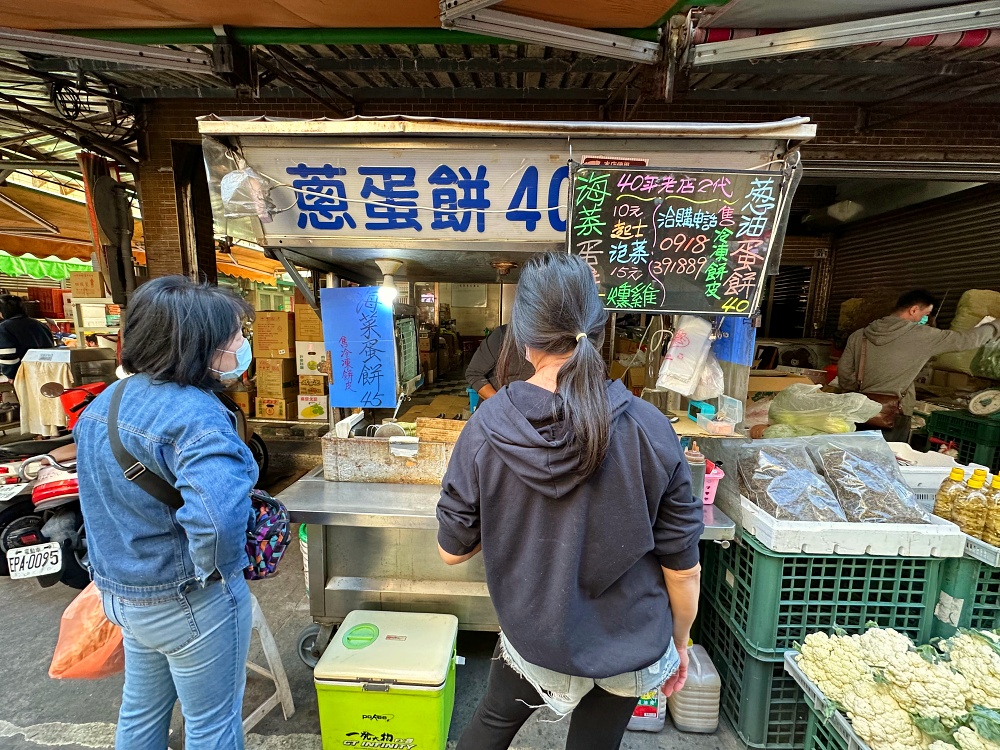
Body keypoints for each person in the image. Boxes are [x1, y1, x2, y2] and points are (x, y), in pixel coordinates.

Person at [437, 253, 704, 750]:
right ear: (599, 331)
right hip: (630, 639)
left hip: (537, 632)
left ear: (522, 339)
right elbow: (683, 567)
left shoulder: (488, 429)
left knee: (491, 725)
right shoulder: (650, 427)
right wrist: (681, 641)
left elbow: (453, 549)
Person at [75, 276, 257, 750]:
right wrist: (212, 577)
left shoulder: (106, 403)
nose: (242, 344)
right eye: (235, 335)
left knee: (139, 711)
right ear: (200, 344)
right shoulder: (196, 415)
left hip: (122, 596)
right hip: (187, 599)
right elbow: (216, 521)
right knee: (212, 725)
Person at [839, 289, 1000, 441]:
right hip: (896, 413)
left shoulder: (859, 335)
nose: (926, 320)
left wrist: (863, 390)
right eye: (926, 314)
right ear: (914, 310)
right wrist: (995, 326)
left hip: (859, 409)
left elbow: (844, 374)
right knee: (889, 461)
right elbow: (967, 340)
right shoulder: (922, 335)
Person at [465, 323, 534, 400]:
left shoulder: (547, 342)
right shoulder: (502, 335)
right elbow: (474, 373)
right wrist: (503, 405)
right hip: (498, 407)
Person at [0, 294, 53, 379]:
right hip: (48, 373)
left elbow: (8, 356)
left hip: (25, 375)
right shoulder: (40, 324)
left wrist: (11, 375)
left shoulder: (4, 328)